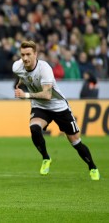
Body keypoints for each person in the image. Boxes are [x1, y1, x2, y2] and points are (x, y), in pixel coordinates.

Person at [13, 40, 100, 181]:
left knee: (75, 142)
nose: (25, 58)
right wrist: (21, 82)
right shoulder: (17, 66)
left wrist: (26, 95)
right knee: (34, 128)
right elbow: (23, 75)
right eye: (22, 54)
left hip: (58, 106)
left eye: (28, 54)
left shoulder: (45, 68)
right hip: (40, 107)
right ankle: (46, 158)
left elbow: (47, 95)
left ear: (36, 54)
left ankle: (93, 167)